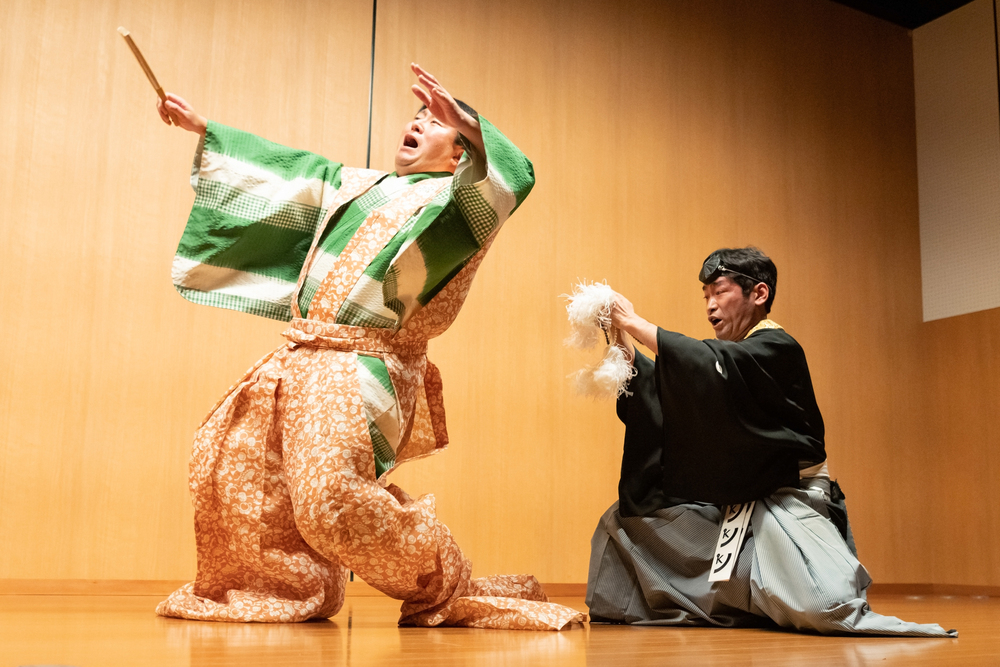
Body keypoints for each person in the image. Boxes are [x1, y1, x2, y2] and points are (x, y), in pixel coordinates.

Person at [153, 64, 585, 630]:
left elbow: (512, 176)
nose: (418, 123)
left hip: (364, 361)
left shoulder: (457, 203)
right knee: (238, 463)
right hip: (302, 355)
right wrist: (205, 128)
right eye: (417, 116)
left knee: (331, 497)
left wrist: (469, 125)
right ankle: (282, 589)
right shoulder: (356, 185)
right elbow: (290, 168)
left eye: (435, 122)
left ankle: (441, 578)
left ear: (460, 154)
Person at [586, 246, 955, 636]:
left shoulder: (777, 348)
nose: (710, 305)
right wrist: (621, 338)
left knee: (824, 606)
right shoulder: (729, 361)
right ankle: (749, 603)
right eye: (706, 296)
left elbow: (708, 366)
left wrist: (633, 321)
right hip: (737, 504)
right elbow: (673, 394)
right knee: (625, 522)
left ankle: (771, 597)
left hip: (789, 503)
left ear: (759, 293)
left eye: (719, 292)